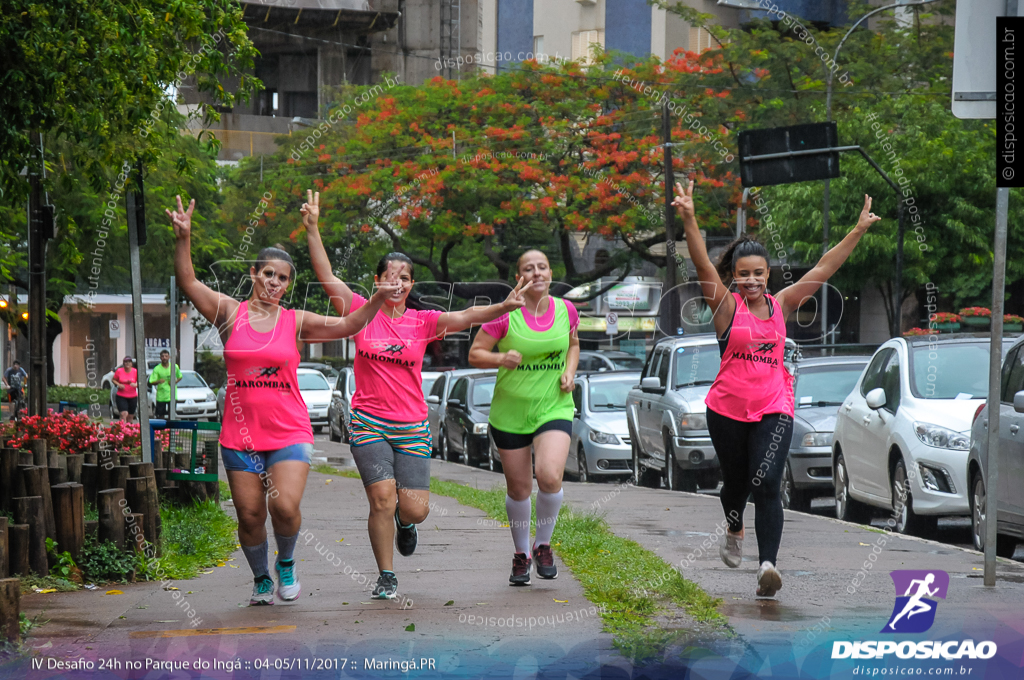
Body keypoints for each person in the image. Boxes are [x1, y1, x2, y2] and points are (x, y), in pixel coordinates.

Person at [168, 194, 398, 607]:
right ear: (254, 274)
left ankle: (286, 562)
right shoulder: (229, 313)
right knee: (250, 516)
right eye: (268, 275)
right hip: (240, 435)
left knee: (285, 506)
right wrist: (183, 237)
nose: (275, 283)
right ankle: (260, 578)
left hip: (289, 430)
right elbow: (188, 282)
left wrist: (379, 296)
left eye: (283, 278)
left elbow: (348, 324)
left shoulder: (295, 321)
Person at [303, 190, 527, 600]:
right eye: (391, 276)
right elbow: (326, 276)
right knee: (382, 499)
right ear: (378, 280)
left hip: (411, 425)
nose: (399, 282)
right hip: (368, 421)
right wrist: (313, 227)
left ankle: (406, 526)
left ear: (410, 284)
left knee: (414, 508)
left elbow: (466, 316)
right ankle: (386, 575)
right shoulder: (359, 310)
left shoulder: (423, 321)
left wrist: (504, 306)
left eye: (405, 277)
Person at [672, 180, 880, 598]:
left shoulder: (782, 305)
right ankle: (734, 525)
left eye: (758, 274)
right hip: (727, 408)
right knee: (734, 483)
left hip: (774, 406)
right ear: (734, 276)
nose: (750, 280)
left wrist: (857, 230)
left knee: (766, 482)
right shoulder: (726, 308)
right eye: (743, 274)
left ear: (768, 275)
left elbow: (823, 269)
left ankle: (768, 566)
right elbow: (701, 267)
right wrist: (690, 218)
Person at [468, 249, 580, 586]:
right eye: (528, 269)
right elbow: (475, 354)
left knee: (548, 476)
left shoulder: (566, 310)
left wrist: (570, 371)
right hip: (510, 413)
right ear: (519, 276)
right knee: (518, 489)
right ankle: (521, 554)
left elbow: (573, 344)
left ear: (550, 272)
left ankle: (543, 544)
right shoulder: (506, 314)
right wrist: (500, 359)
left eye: (542, 267)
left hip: (554, 406)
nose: (536, 273)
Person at [149, 350, 183, 420]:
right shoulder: (157, 369)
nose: (164, 358)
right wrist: (158, 381)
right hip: (161, 396)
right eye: (162, 356)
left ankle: (171, 430)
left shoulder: (174, 366)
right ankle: (162, 430)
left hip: (172, 396)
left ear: (169, 357)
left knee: (172, 415)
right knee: (160, 415)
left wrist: (174, 382)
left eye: (166, 356)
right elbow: (151, 381)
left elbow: (180, 376)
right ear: (160, 358)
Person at [112, 356, 139, 423]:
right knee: (124, 414)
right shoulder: (119, 371)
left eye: (129, 362)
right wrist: (119, 384)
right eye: (126, 362)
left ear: (131, 364)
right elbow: (113, 380)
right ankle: (122, 428)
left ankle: (129, 430)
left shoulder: (135, 371)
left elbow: (141, 382)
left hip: (132, 396)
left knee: (130, 416)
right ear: (123, 363)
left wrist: (136, 384)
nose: (127, 363)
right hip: (121, 396)